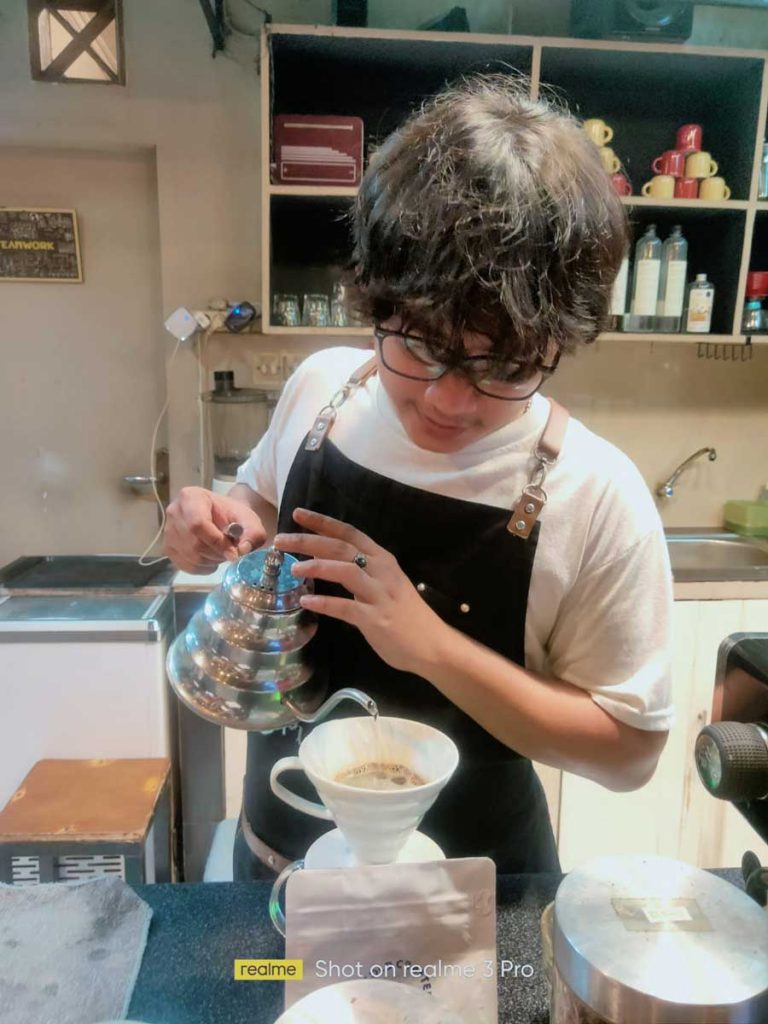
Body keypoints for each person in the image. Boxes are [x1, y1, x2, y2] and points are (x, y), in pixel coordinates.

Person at [164, 75, 673, 879]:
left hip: (476, 900)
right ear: (378, 300)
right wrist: (220, 517)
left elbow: (630, 754)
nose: (447, 400)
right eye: (423, 344)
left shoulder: (597, 494)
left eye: (503, 365)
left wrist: (433, 648)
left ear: (558, 343)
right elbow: (257, 496)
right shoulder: (322, 389)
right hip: (280, 866)